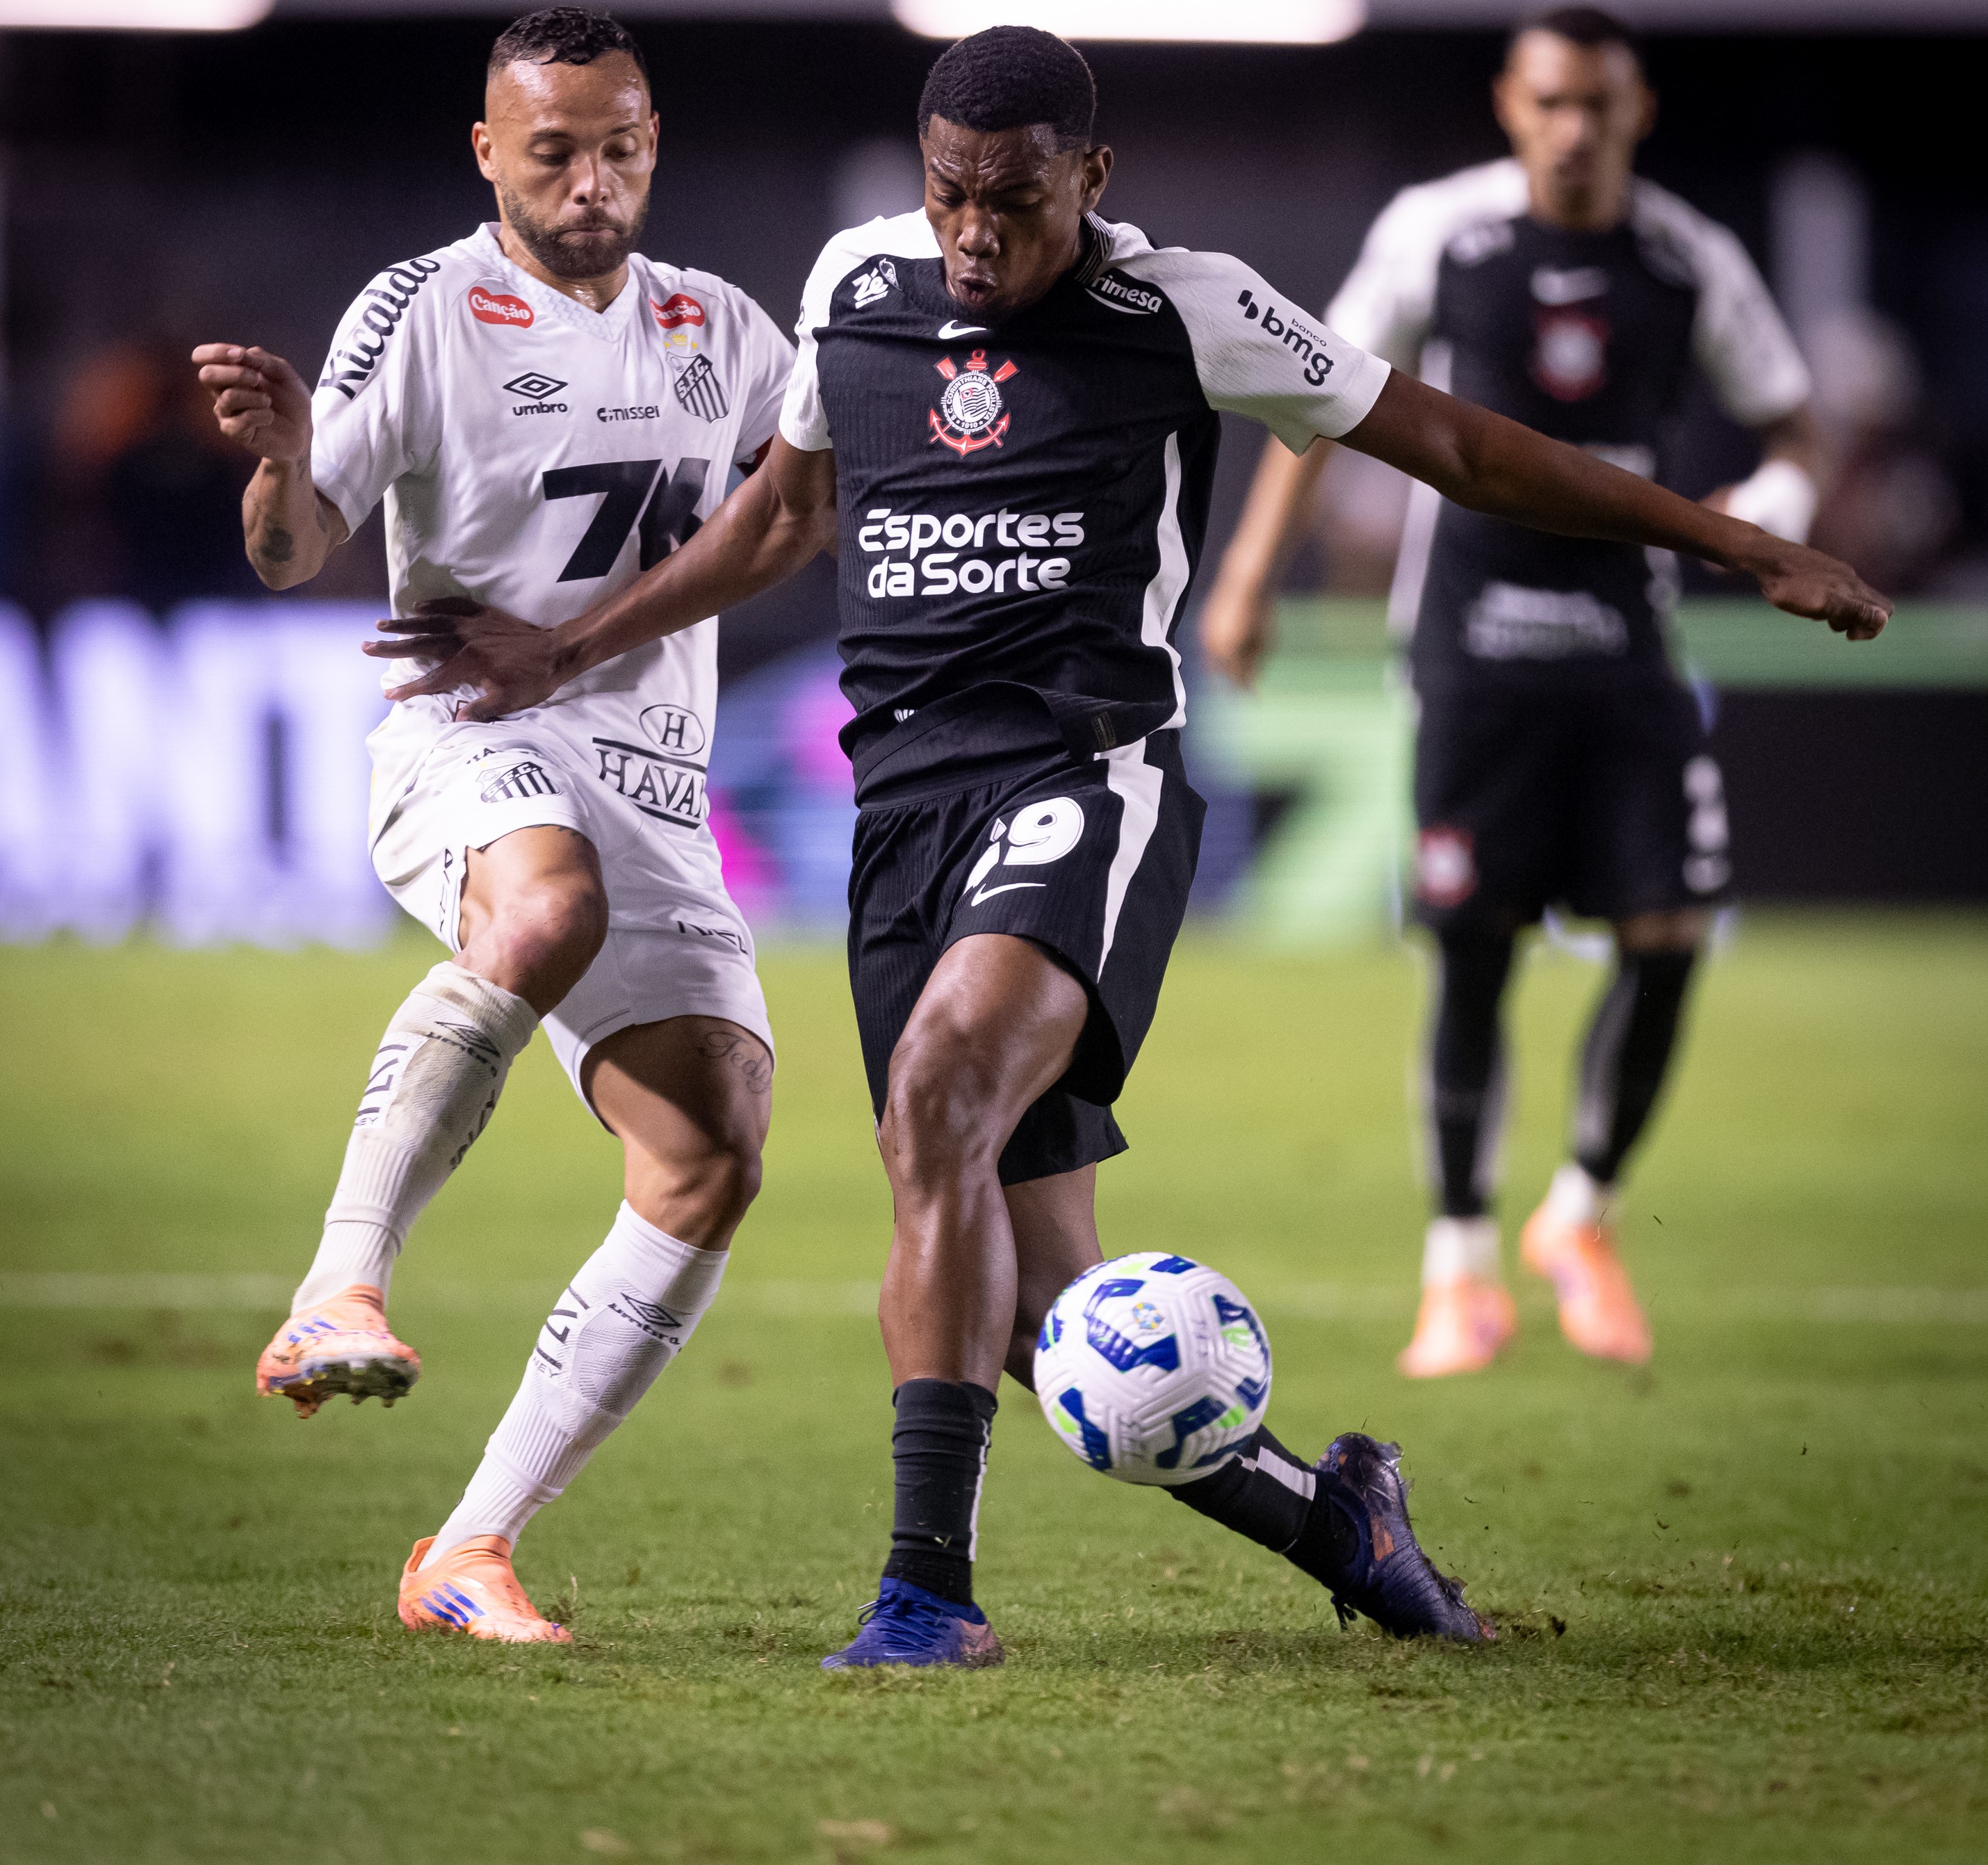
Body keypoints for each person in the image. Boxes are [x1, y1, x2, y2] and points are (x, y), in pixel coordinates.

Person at [373, 26, 1887, 1668]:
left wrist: (1734, 540)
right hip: (904, 820)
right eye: (950, 194)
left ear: (1090, 179)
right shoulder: (857, 288)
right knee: (1037, 1320)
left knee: (944, 1091)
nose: (973, 233)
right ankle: (1336, 1522)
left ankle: (924, 1596)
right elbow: (783, 518)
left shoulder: (1187, 309)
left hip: (1091, 783)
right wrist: (569, 644)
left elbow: (1453, 445)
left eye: (1012, 201)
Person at [193, 7, 795, 1643]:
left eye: (620, 147)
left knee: (713, 1147)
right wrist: (278, 469)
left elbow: (785, 521)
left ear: (652, 138)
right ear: (487, 153)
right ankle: (337, 1287)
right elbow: (293, 550)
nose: (592, 181)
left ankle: (465, 1552)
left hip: (652, 777)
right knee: (542, 913)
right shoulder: (424, 306)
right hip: (467, 736)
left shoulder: (723, 326)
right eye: (554, 152)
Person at [1203, 8, 1835, 1379]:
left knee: (1667, 932)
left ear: (1633, 112)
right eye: (1548, 103)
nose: (1570, 131)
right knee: (1473, 949)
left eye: (1594, 108)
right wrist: (1248, 574)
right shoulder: (1441, 230)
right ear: (1509, 103)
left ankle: (1583, 1214)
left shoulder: (1684, 257)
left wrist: (1772, 500)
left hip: (1627, 640)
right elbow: (1314, 393)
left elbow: (1791, 424)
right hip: (1470, 642)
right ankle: (1457, 1266)